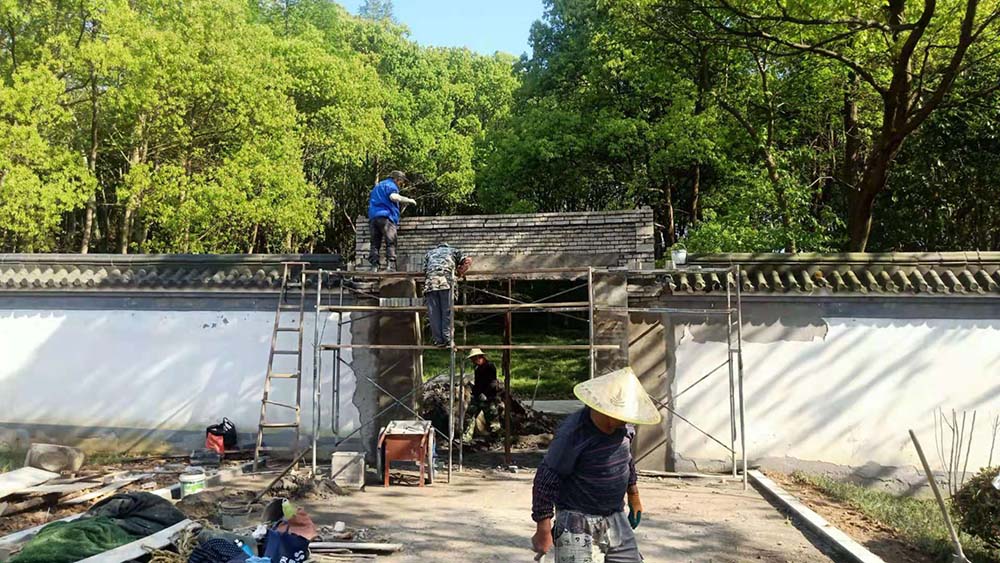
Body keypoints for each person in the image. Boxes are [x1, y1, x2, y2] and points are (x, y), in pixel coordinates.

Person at [531, 366, 662, 563]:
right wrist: (543, 527)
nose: (626, 420)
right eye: (622, 415)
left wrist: (634, 495)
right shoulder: (573, 434)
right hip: (576, 521)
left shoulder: (624, 427)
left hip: (615, 516)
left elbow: (626, 460)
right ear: (604, 408)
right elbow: (547, 478)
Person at [422, 243, 471, 346]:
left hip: (431, 285)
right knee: (447, 312)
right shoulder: (454, 251)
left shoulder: (429, 253)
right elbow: (468, 261)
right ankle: (448, 339)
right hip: (446, 283)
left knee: (434, 314)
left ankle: (438, 340)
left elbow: (425, 270)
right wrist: (459, 272)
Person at [367, 170, 416, 271]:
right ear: (397, 179)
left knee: (375, 243)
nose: (401, 184)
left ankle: (374, 266)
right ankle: (391, 266)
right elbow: (393, 197)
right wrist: (408, 200)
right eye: (401, 182)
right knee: (391, 241)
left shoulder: (378, 186)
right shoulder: (391, 185)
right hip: (386, 217)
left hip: (373, 217)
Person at [462, 348, 500, 442]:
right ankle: (466, 438)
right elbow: (478, 383)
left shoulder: (490, 366)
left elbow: (493, 382)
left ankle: (496, 439)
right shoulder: (477, 368)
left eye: (473, 359)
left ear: (479, 357)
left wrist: (485, 394)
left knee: (492, 420)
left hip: (488, 398)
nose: (472, 361)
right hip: (477, 397)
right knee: (469, 416)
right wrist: (473, 389)